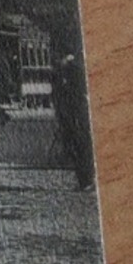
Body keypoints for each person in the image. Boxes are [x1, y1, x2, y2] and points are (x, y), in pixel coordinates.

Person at [51, 47, 95, 190]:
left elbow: (80, 93)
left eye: (58, 59)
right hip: (71, 113)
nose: (56, 62)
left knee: (82, 146)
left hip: (77, 113)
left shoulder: (75, 69)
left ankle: (88, 180)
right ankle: (84, 180)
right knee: (77, 147)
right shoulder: (65, 69)